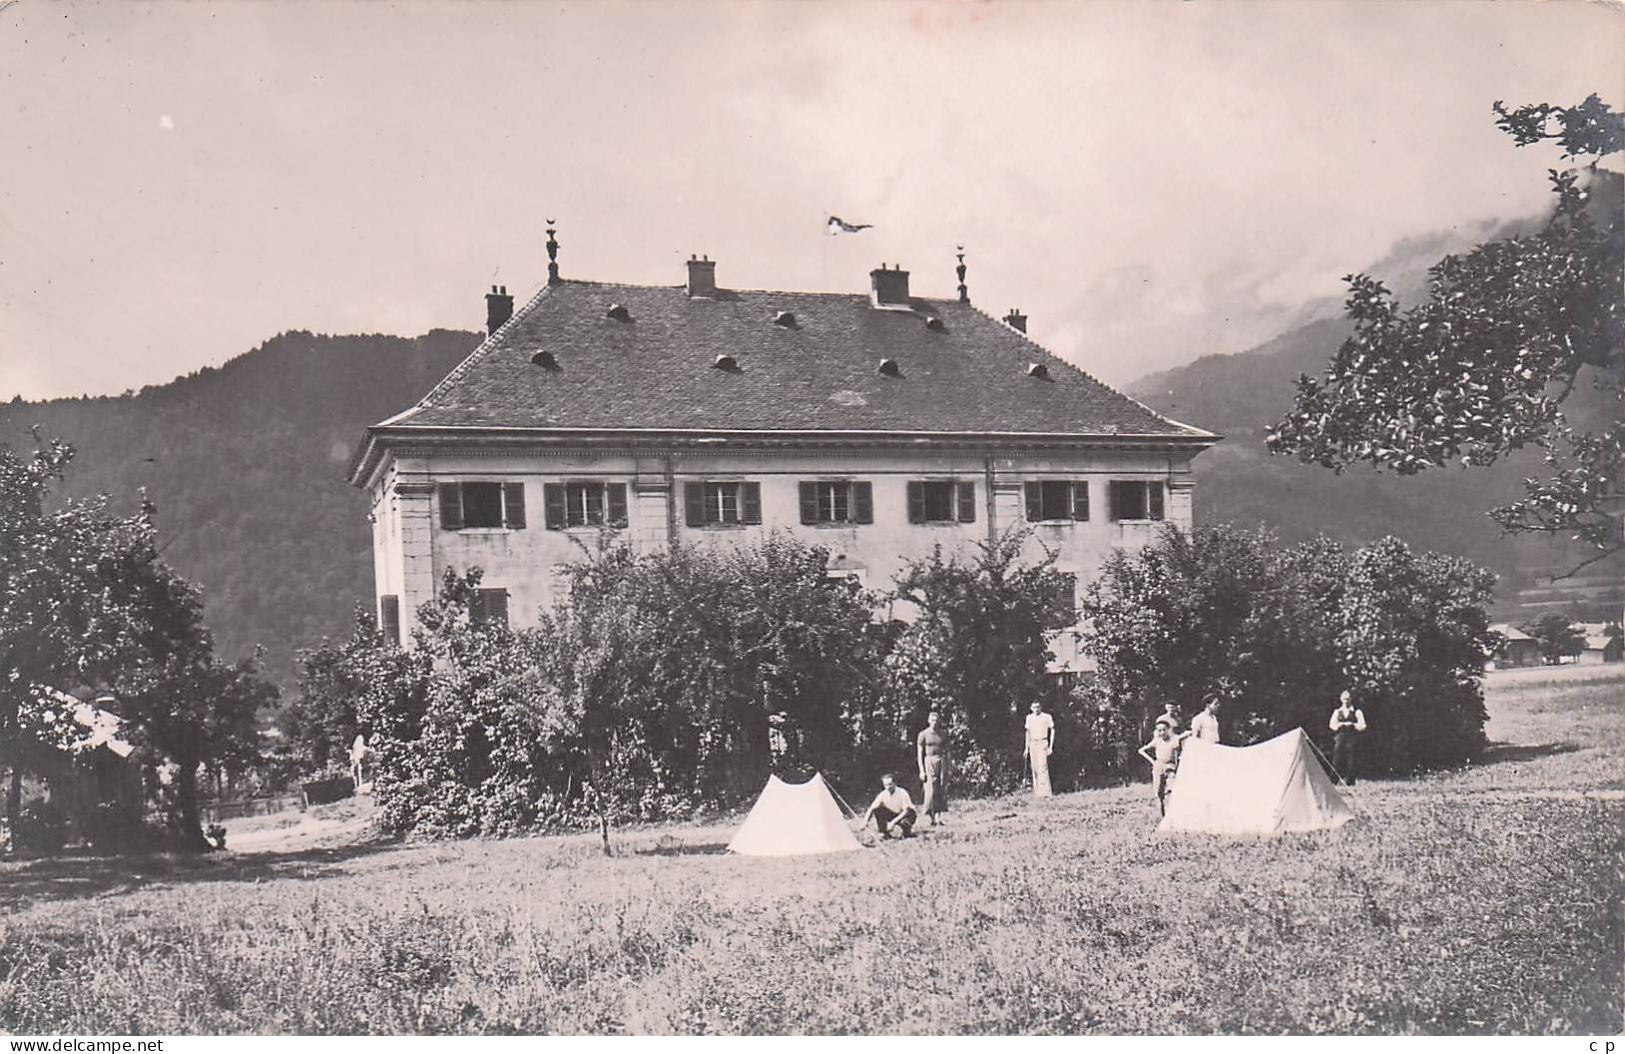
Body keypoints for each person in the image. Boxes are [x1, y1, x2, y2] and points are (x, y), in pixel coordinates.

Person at [1137, 717, 1184, 816]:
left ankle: (1172, 815)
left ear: (1169, 730)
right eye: (1159, 730)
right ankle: (1161, 816)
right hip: (1158, 767)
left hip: (1170, 767)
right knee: (1158, 793)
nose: (1162, 732)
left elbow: (1184, 736)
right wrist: (1153, 762)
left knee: (1171, 790)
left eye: (1164, 730)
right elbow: (1141, 750)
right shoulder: (1157, 741)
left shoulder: (1174, 740)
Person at [1328, 690, 1368, 785]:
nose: (1346, 701)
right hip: (1340, 736)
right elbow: (1332, 724)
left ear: (1351, 699)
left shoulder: (1357, 712)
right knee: (1337, 758)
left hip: (1352, 736)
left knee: (1351, 759)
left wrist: (1353, 725)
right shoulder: (1337, 712)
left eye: (1348, 699)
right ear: (1341, 700)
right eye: (1344, 699)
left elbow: (1363, 725)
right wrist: (1340, 725)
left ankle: (1350, 781)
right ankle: (1333, 780)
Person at [916, 710, 949, 825]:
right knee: (930, 790)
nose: (934, 722)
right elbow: (919, 753)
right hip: (928, 761)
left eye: (936, 720)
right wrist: (921, 770)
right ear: (928, 721)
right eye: (932, 720)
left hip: (940, 760)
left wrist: (948, 766)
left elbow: (947, 752)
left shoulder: (943, 734)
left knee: (940, 789)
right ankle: (931, 817)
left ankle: (938, 817)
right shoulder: (923, 734)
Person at [861, 773, 917, 839]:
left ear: (895, 783)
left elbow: (906, 811)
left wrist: (893, 823)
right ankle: (885, 832)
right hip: (893, 813)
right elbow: (871, 808)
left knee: (904, 822)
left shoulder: (902, 792)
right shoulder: (882, 794)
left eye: (890, 784)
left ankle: (907, 832)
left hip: (907, 814)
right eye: (886, 785)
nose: (888, 787)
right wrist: (865, 822)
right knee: (878, 809)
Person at [1023, 700, 1056, 798]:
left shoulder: (1046, 717)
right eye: (1034, 707)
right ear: (1031, 708)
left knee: (1042, 767)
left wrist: (1050, 746)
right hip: (1033, 743)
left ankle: (1046, 793)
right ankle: (1038, 793)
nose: (1036, 709)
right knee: (1035, 768)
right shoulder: (1029, 718)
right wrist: (1026, 748)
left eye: (1038, 707)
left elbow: (1052, 730)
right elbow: (1027, 733)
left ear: (1041, 707)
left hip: (1043, 742)